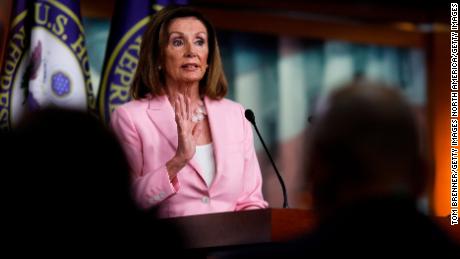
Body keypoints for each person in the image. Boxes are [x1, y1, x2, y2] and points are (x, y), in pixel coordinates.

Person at [110, 6, 268, 218]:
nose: (191, 51)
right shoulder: (130, 118)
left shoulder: (236, 115)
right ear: (157, 58)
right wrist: (178, 161)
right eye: (177, 42)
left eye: (200, 41)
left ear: (208, 58)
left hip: (232, 249)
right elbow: (124, 201)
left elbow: (251, 200)